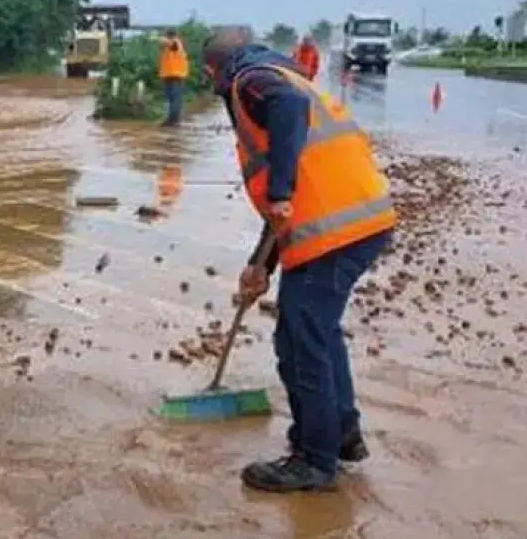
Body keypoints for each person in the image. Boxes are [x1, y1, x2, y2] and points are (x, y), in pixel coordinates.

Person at [202, 26, 397, 493]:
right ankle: (341, 433)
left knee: (300, 338)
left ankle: (313, 458)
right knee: (318, 331)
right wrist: (261, 267)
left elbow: (284, 182)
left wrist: (282, 190)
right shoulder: (284, 76)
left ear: (214, 70)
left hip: (335, 229)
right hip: (352, 222)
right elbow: (282, 205)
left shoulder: (248, 80)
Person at [157, 29, 190, 128]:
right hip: (169, 75)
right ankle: (171, 119)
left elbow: (169, 44)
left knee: (175, 99)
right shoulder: (172, 45)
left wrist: (160, 38)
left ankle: (174, 121)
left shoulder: (176, 43)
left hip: (176, 75)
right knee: (172, 99)